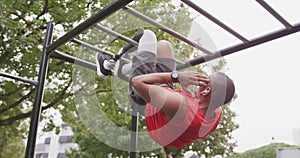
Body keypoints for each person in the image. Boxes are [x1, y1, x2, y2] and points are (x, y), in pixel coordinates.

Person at [95, 29, 235, 148]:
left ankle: (108, 64)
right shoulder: (216, 112)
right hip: (165, 100)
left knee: (147, 35)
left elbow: (137, 82)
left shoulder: (181, 105)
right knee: (163, 46)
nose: (201, 79)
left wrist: (176, 76)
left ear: (206, 91)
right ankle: (119, 69)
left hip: (143, 99)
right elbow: (214, 97)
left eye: (206, 79)